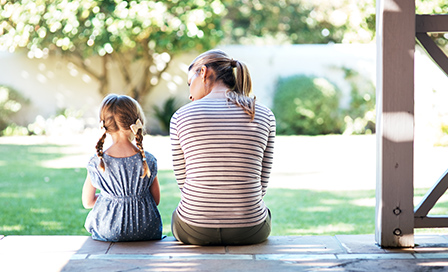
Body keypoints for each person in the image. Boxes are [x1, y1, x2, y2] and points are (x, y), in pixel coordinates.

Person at [169, 49, 276, 246]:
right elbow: (262, 183)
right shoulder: (264, 114)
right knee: (265, 212)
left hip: (194, 229)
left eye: (189, 83)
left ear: (203, 72)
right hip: (250, 229)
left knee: (178, 215)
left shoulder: (180, 116)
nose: (190, 94)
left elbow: (183, 183)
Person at [82, 94, 162, 242]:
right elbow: (155, 200)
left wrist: (110, 199)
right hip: (146, 229)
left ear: (104, 125)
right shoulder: (148, 160)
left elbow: (87, 202)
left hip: (109, 230)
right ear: (137, 122)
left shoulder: (97, 162)